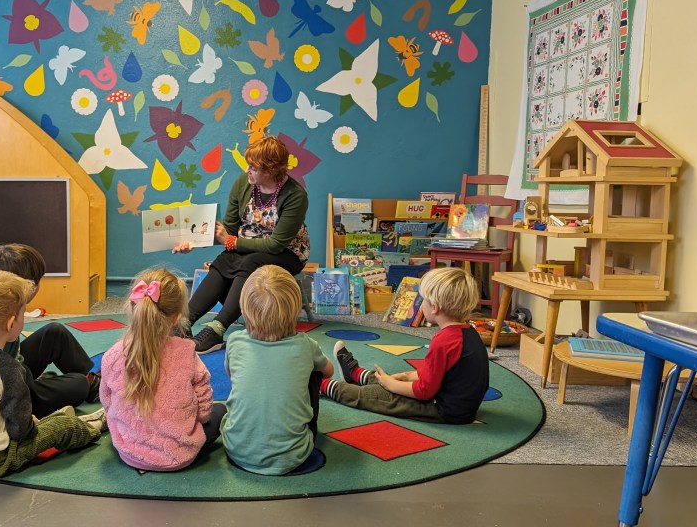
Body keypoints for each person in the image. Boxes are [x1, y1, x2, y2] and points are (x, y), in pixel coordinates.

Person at [0, 267, 106, 480]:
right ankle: (93, 427)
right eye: (23, 312)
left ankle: (61, 418)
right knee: (63, 426)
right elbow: (21, 431)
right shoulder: (7, 367)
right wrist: (30, 424)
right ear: (11, 323)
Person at [173, 135, 310, 354]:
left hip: (287, 253)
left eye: (254, 167)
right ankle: (184, 323)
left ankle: (217, 329)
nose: (248, 170)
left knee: (251, 261)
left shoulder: (295, 195)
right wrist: (193, 242)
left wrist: (232, 242)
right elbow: (227, 228)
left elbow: (275, 244)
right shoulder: (242, 184)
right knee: (224, 260)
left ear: (272, 170)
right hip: (242, 248)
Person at [322, 267, 489, 424]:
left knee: (372, 395)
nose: (421, 304)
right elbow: (440, 372)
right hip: (458, 404)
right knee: (392, 378)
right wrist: (408, 376)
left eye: (423, 300)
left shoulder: (444, 341)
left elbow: (425, 391)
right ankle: (357, 375)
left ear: (435, 308)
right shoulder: (467, 331)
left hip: (444, 409)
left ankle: (320, 385)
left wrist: (392, 385)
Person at [99, 267, 226, 471]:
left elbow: (107, 401)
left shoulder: (113, 354)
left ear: (133, 308)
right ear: (176, 317)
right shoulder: (186, 352)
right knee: (221, 411)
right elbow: (204, 411)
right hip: (179, 455)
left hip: (128, 449)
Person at [221, 265, 333, 475]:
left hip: (236, 450)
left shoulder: (235, 341)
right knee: (315, 372)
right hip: (295, 455)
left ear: (245, 308)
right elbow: (329, 372)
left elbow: (231, 374)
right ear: (295, 309)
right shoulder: (305, 344)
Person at [0, 244, 101, 418]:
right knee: (78, 384)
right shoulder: (6, 320)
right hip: (12, 394)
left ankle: (92, 383)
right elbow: (9, 382)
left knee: (54, 332)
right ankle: (88, 384)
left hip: (15, 371)